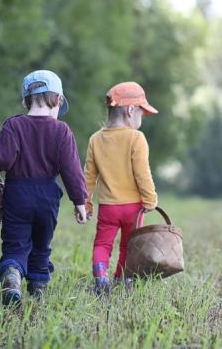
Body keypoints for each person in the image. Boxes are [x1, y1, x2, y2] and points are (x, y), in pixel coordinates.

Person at [0, 70, 88, 306]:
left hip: (17, 194)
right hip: (47, 197)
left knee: (15, 244)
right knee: (41, 244)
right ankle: (37, 291)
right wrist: (80, 202)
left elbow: (2, 160)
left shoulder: (14, 125)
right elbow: (72, 170)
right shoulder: (62, 131)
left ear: (25, 100)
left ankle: (11, 276)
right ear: (58, 100)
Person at [84, 81, 158, 294]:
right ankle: (122, 279)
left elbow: (89, 176)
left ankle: (101, 276)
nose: (141, 120)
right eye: (141, 115)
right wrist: (150, 199)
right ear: (131, 110)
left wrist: (87, 202)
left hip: (108, 207)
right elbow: (142, 173)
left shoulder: (95, 140)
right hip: (133, 208)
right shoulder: (136, 138)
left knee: (102, 245)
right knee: (129, 246)